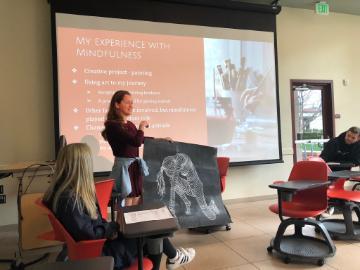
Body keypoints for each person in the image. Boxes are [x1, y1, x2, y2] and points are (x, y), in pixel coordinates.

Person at [43, 143, 195, 270]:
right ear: (82, 167)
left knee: (150, 229)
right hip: (101, 253)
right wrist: (112, 228)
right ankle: (175, 257)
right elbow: (88, 233)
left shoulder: (60, 192)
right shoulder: (70, 199)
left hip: (97, 245)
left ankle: (175, 256)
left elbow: (86, 228)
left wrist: (111, 227)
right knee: (154, 235)